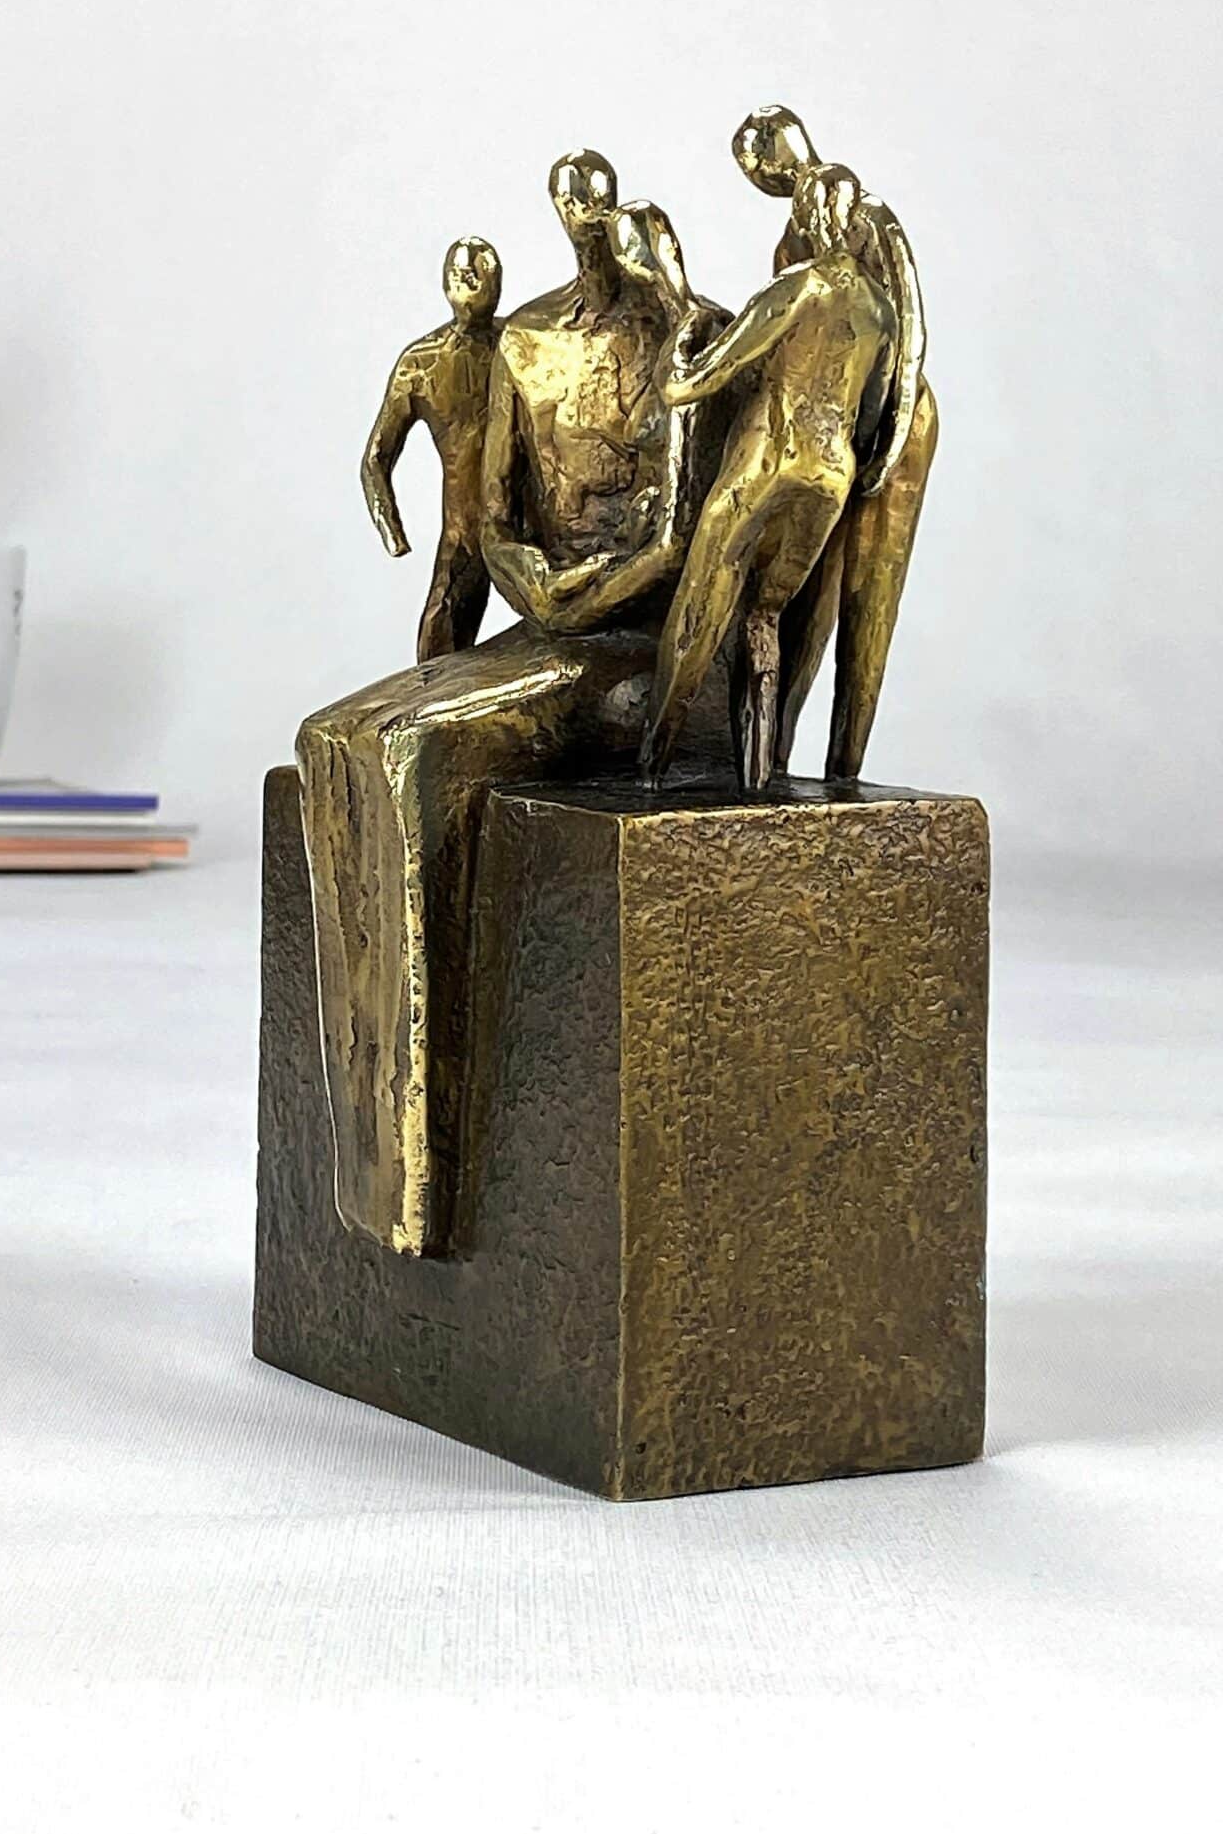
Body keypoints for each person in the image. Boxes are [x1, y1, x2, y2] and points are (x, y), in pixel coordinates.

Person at [297, 154, 727, 1259]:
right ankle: (376, 1161)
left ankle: (415, 1186)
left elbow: (694, 539)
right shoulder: (525, 343)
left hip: (651, 651)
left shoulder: (700, 339)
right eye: (577, 212)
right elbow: (492, 523)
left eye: (608, 215)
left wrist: (594, 596)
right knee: (335, 736)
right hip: (550, 624)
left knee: (408, 751)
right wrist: (538, 584)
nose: (594, 231)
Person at [641, 165, 896, 791]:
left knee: (702, 602)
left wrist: (677, 347)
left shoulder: (798, 288)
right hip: (831, 474)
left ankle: (651, 766)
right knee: (765, 617)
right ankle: (755, 782)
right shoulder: (881, 310)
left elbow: (694, 383)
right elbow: (872, 415)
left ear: (808, 217)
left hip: (770, 458)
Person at [731, 103, 940, 779]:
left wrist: (890, 435)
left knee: (869, 599)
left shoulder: (867, 214)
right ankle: (775, 760)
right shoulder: (792, 240)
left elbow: (910, 330)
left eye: (759, 164)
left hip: (887, 425)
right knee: (806, 594)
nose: (762, 179)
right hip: (828, 432)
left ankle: (846, 765)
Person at [360, 236, 502, 662]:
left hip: (530, 521)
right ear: (444, 283)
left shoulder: (521, 344)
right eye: (460, 275)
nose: (470, 285)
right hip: (466, 529)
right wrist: (393, 532)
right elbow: (376, 458)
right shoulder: (421, 363)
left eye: (481, 276)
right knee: (438, 649)